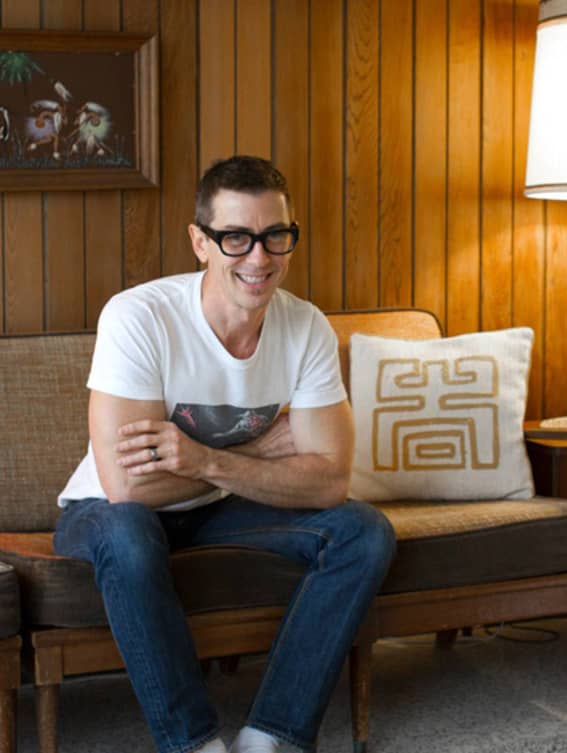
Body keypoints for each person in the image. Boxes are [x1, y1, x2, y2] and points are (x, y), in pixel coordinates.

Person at [54, 155, 396, 753]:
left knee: (361, 531)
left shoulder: (306, 327)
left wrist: (205, 460)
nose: (259, 258)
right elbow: (128, 487)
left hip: (220, 504)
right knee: (130, 531)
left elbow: (328, 482)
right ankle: (193, 745)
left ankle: (271, 737)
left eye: (274, 236)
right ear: (200, 242)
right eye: (235, 238)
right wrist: (264, 449)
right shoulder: (140, 317)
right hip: (104, 511)